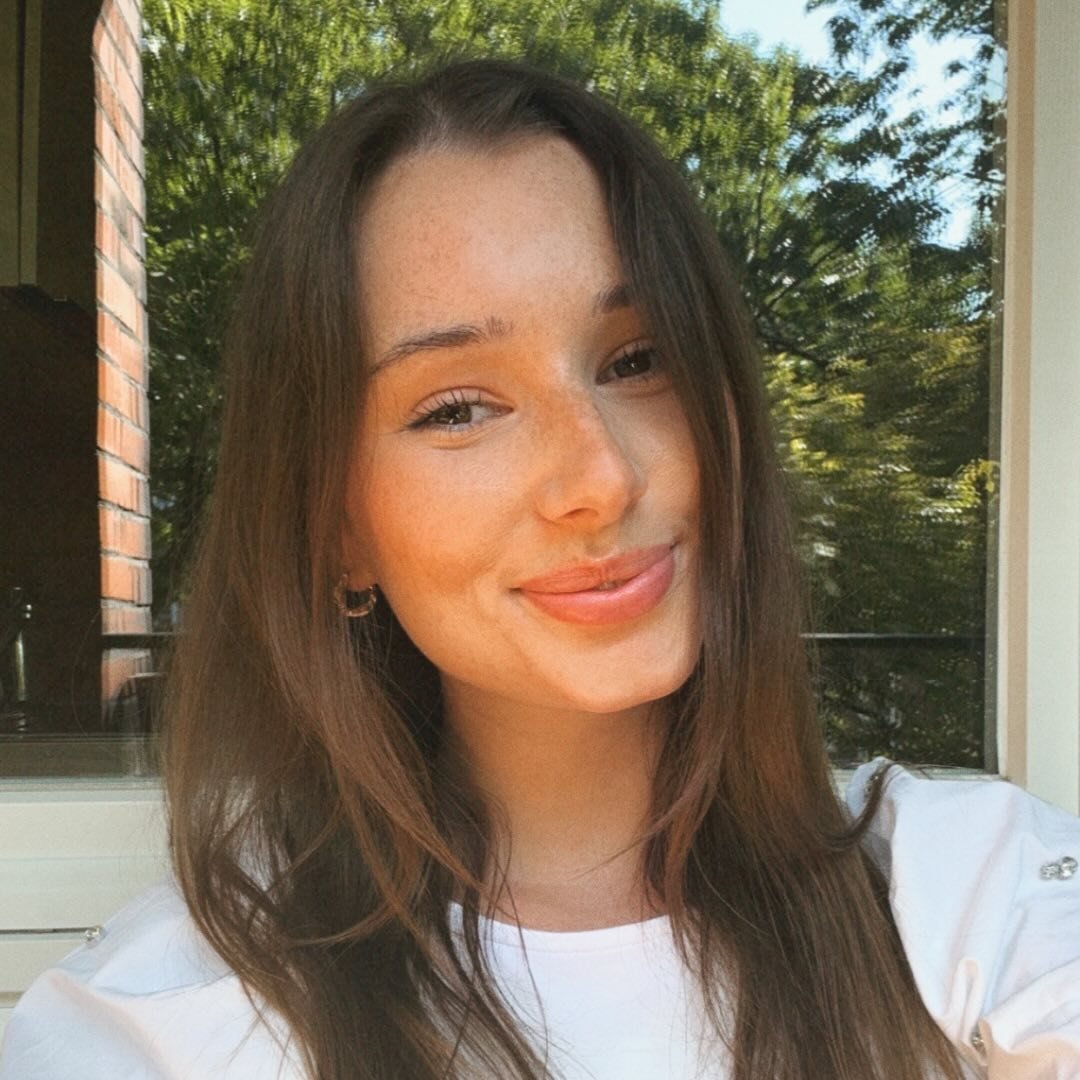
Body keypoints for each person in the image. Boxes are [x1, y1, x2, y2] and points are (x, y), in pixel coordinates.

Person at [2, 58, 1079, 1080]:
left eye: (637, 360)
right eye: (457, 409)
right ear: (338, 530)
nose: (600, 477)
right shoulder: (173, 1021)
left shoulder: (973, 897)